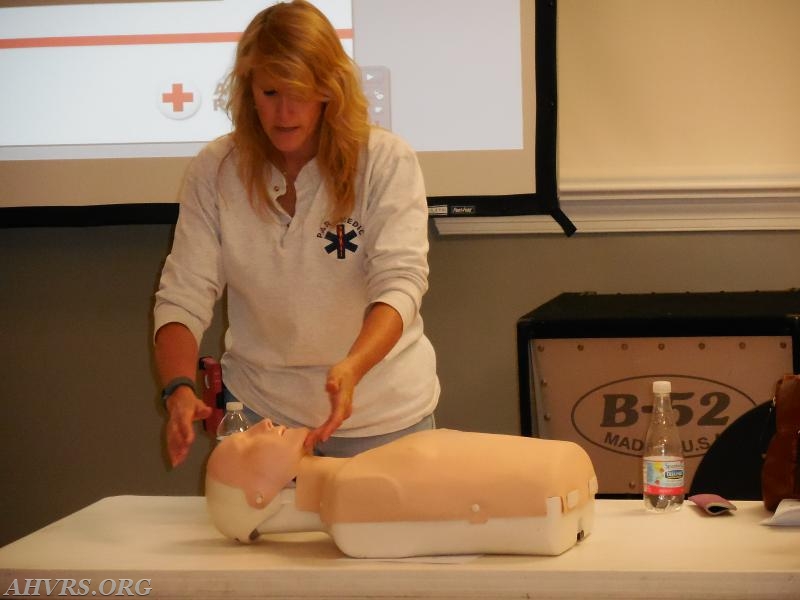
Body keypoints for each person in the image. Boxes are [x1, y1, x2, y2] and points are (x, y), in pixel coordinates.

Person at [154, 0, 439, 467]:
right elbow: (182, 296)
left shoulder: (385, 160)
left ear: (329, 89)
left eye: (299, 92)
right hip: (260, 416)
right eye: (269, 93)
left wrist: (352, 367)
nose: (284, 112)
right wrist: (178, 388)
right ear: (247, 90)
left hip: (381, 419)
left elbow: (401, 282)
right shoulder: (215, 170)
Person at [205, 421, 598, 558]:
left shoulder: (354, 481)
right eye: (245, 444)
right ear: (259, 497)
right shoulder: (352, 494)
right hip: (554, 484)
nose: (263, 424)